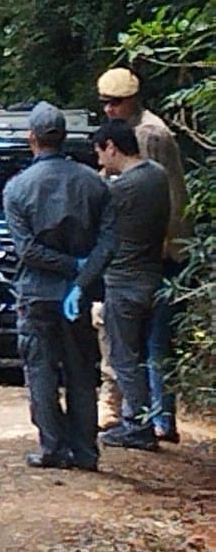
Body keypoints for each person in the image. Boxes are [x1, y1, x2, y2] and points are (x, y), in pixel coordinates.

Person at [3, 102, 115, 471]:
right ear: (64, 137)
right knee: (83, 373)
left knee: (41, 372)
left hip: (37, 294)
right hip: (78, 297)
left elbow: (27, 249)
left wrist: (68, 267)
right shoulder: (93, 183)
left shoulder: (17, 188)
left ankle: (52, 448)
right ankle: (85, 451)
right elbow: (108, 241)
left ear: (31, 138)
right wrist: (81, 275)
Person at [98, 67, 192, 442]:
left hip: (160, 250)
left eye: (114, 103)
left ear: (131, 100)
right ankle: (140, 414)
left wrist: (157, 244)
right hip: (152, 251)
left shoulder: (148, 135)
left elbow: (158, 201)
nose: (108, 109)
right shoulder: (131, 133)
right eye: (104, 102)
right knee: (139, 340)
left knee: (151, 342)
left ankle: (157, 419)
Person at [92, 119, 171, 451]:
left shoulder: (121, 189)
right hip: (154, 277)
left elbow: (96, 221)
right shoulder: (157, 176)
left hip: (124, 283)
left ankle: (137, 427)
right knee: (148, 355)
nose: (99, 162)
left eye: (100, 153)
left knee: (124, 358)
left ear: (112, 147)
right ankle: (153, 418)